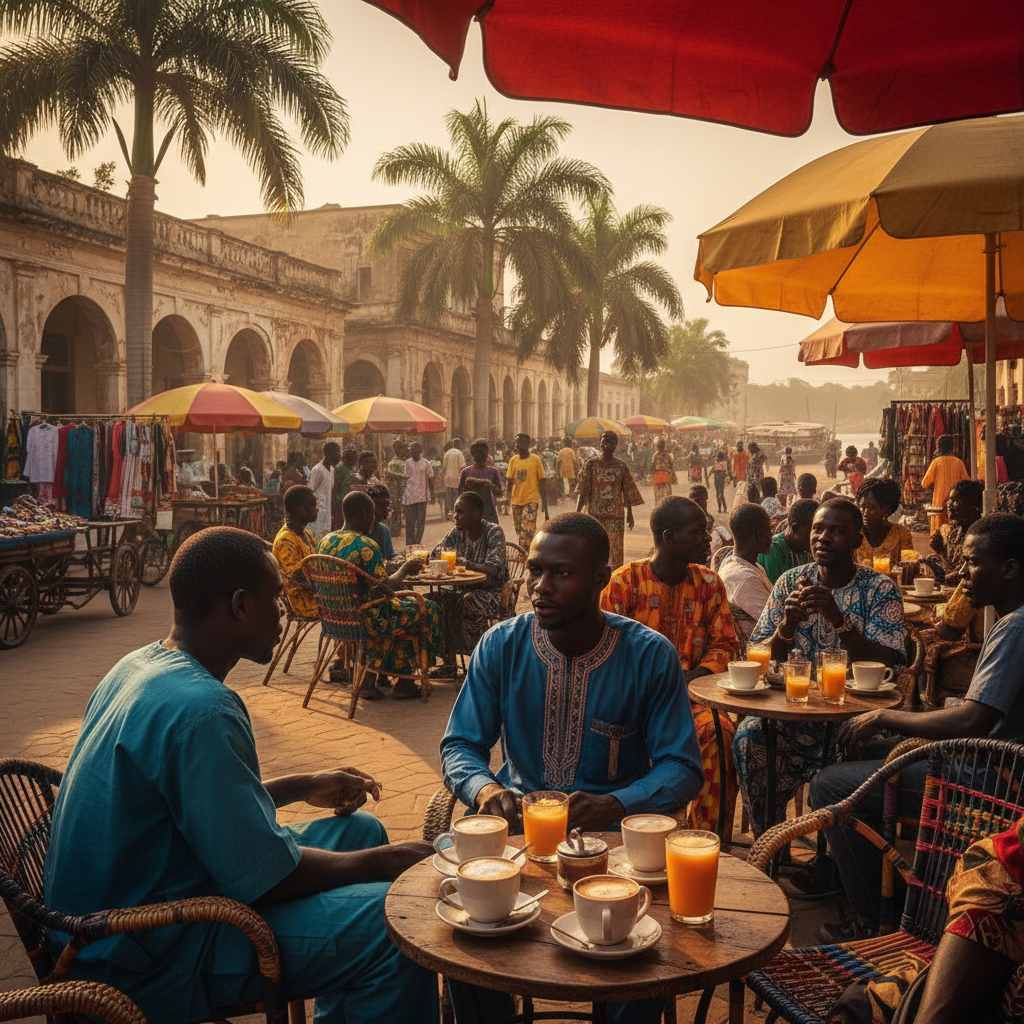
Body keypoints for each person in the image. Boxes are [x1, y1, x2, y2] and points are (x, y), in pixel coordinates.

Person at [42, 526, 439, 1024]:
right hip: (143, 950)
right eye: (277, 597)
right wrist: (391, 861)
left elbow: (189, 808)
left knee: (361, 829)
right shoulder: (205, 709)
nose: (287, 610)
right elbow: (268, 879)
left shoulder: (141, 664)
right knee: (399, 918)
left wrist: (298, 786)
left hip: (125, 910)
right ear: (240, 605)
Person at [440, 511, 704, 1024]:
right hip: (518, 841)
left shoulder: (650, 656)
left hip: (617, 849)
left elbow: (681, 766)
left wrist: (616, 803)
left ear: (602, 578)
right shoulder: (501, 646)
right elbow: (460, 745)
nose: (540, 587)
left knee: (645, 960)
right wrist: (483, 789)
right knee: (461, 936)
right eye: (537, 571)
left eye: (561, 573)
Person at [806, 512, 1024, 939]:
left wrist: (886, 716)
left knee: (830, 785)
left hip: (990, 777)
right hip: (992, 760)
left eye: (972, 562)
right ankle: (844, 870)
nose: (961, 573)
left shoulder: (1014, 627)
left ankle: (877, 917)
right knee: (861, 751)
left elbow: (973, 719)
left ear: (1010, 569)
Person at [734, 499, 905, 837]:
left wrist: (839, 621)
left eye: (837, 531)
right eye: (818, 529)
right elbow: (759, 658)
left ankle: (835, 864)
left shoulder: (879, 589)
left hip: (853, 722)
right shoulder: (789, 582)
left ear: (857, 540)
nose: (824, 537)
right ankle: (769, 843)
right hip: (792, 716)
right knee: (748, 737)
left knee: (864, 757)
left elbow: (890, 662)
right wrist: (786, 625)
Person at [601, 496, 739, 836]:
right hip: (630, 704)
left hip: (691, 701)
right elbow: (604, 652)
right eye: (699, 531)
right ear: (669, 537)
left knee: (720, 734)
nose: (709, 539)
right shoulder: (623, 584)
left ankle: (705, 840)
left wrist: (693, 680)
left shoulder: (709, 583)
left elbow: (725, 644)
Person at [319, 491, 441, 699]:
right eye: (373, 514)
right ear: (365, 515)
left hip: (335, 618)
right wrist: (405, 568)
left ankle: (372, 681)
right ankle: (405, 681)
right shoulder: (366, 545)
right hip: (368, 620)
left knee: (403, 611)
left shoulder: (325, 541)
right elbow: (383, 587)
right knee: (427, 608)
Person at [431, 491, 508, 651]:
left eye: (460, 512)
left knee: (468, 601)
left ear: (475, 514)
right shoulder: (456, 533)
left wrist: (466, 564)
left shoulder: (493, 532)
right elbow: (435, 554)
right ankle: (449, 662)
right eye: (455, 511)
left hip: (494, 593)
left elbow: (494, 568)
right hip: (463, 589)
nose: (455, 516)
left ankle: (480, 657)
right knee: (437, 603)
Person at [575, 430, 643, 570]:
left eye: (611, 442)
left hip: (616, 517)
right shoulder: (591, 465)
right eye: (605, 441)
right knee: (594, 547)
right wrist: (577, 513)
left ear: (616, 445)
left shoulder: (621, 466)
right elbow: (583, 491)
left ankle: (614, 579)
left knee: (615, 550)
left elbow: (628, 490)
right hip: (594, 515)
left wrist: (630, 514)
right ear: (600, 443)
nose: (607, 444)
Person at [718, 503, 774, 651]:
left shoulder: (744, 564)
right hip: (758, 653)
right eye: (770, 530)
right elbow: (776, 622)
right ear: (760, 534)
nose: (772, 535)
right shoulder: (745, 578)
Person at [271, 484, 320, 619]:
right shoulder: (285, 540)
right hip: (303, 602)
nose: (317, 509)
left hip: (317, 594)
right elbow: (299, 576)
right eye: (313, 505)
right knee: (352, 604)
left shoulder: (307, 535)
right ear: (302, 508)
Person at [853, 476, 914, 569]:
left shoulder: (901, 534)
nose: (865, 513)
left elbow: (909, 567)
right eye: (863, 506)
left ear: (885, 509)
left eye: (871, 508)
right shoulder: (853, 533)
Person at [930, 478, 985, 574]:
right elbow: (949, 567)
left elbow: (965, 574)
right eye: (949, 501)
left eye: (956, 501)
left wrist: (940, 579)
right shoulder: (955, 533)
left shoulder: (980, 535)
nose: (950, 506)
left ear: (973, 503)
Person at [757, 497, 818, 584]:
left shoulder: (805, 550)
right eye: (813, 529)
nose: (817, 536)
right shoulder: (772, 550)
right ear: (796, 528)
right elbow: (775, 592)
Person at [506, 432, 548, 551]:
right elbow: (509, 481)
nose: (518, 444)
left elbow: (542, 481)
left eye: (522, 442)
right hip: (516, 500)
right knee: (519, 530)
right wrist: (507, 496)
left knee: (528, 529)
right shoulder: (513, 460)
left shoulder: (535, 460)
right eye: (517, 442)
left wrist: (544, 504)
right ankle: (524, 550)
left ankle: (524, 554)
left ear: (528, 444)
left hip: (531, 500)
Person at [922, 433, 971, 534]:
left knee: (938, 536)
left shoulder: (936, 462)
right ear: (953, 447)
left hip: (939, 506)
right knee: (953, 533)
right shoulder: (959, 462)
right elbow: (967, 482)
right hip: (955, 505)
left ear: (938, 447)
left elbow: (924, 483)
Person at [457, 438, 503, 524]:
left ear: (487, 454)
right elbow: (460, 494)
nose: (480, 454)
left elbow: (499, 493)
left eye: (483, 452)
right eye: (477, 451)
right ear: (472, 454)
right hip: (470, 509)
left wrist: (490, 486)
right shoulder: (466, 472)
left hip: (488, 509)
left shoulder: (493, 472)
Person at [307, 441, 341, 540]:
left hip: (327, 512)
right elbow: (310, 491)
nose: (339, 456)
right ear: (329, 453)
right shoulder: (317, 470)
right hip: (317, 513)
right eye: (338, 453)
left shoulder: (332, 470)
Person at [403, 442, 434, 545]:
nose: (413, 453)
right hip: (409, 496)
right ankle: (409, 545)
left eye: (415, 451)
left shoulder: (426, 463)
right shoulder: (407, 462)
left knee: (420, 522)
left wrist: (432, 495)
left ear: (420, 452)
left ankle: (416, 543)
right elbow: (405, 478)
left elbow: (430, 479)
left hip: (422, 497)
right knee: (410, 523)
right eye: (412, 450)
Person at [332, 447, 360, 531]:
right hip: (340, 499)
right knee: (340, 523)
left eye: (354, 460)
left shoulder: (353, 468)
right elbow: (336, 485)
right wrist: (333, 501)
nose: (352, 462)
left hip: (350, 499)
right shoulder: (339, 468)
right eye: (350, 459)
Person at [367, 483, 395, 560]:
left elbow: (390, 559)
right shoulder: (361, 532)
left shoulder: (384, 530)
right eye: (385, 506)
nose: (387, 510)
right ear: (376, 507)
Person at [384, 440, 406, 534]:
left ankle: (395, 529)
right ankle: (396, 528)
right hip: (399, 487)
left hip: (394, 487)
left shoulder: (391, 463)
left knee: (395, 507)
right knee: (397, 507)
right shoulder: (402, 463)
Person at [442, 438, 466, 519]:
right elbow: (462, 467)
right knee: (457, 496)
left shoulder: (447, 453)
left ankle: (447, 513)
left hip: (448, 478)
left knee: (448, 496)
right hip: (457, 478)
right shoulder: (459, 453)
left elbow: (444, 466)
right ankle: (456, 513)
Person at [651, 436, 674, 501]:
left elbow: (652, 466)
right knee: (667, 495)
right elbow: (671, 466)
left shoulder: (655, 456)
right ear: (664, 447)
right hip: (666, 477)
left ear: (657, 447)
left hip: (657, 477)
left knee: (658, 495)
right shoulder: (668, 455)